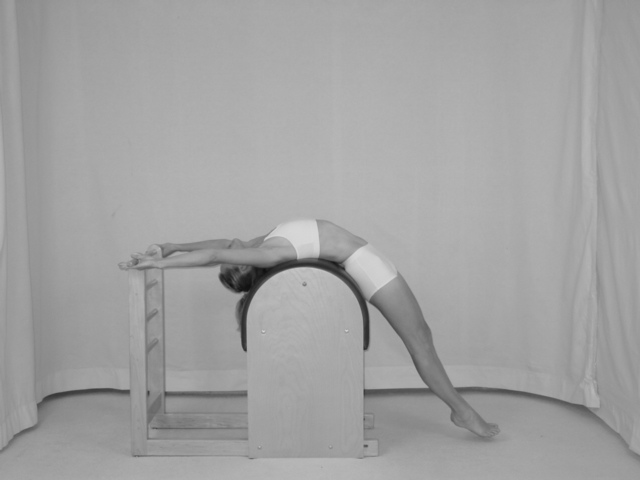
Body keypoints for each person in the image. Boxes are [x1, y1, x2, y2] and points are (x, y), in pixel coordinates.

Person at [119, 218, 500, 438]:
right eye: (236, 258)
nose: (235, 253)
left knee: (422, 338)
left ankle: (460, 409)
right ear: (249, 264)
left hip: (366, 261)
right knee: (420, 342)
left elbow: (226, 244)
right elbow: (218, 253)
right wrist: (160, 264)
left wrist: (173, 246)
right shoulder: (271, 251)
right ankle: (462, 412)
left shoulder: (262, 244)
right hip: (367, 267)